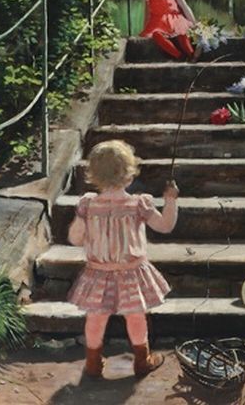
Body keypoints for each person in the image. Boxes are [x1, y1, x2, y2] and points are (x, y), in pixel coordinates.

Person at [67, 139, 179, 378]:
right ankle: (142, 360)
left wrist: (94, 236)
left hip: (97, 273)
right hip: (132, 272)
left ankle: (93, 364)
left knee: (95, 319)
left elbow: (75, 238)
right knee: (136, 317)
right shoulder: (139, 204)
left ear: (94, 175)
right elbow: (166, 226)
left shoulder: (88, 204)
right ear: (129, 174)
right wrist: (171, 201)